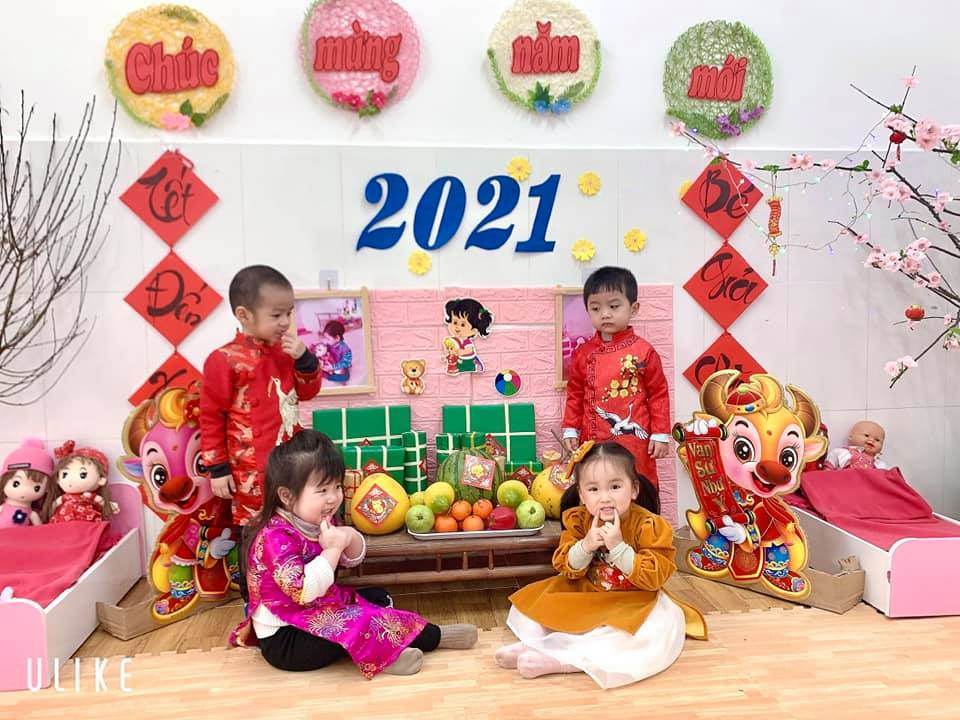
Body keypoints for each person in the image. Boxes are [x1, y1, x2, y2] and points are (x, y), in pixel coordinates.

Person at [231, 430, 478, 677]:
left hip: (318, 610)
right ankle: (402, 650)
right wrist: (333, 549)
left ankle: (416, 636)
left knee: (377, 599)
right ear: (287, 496)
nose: (333, 498)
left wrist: (348, 537)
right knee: (360, 619)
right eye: (322, 490)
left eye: (337, 486)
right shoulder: (274, 537)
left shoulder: (316, 518)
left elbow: (352, 559)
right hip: (287, 638)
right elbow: (304, 592)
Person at [495, 441, 706, 688]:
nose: (605, 498)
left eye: (615, 487)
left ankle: (562, 661)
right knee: (529, 605)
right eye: (593, 489)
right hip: (588, 591)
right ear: (582, 495)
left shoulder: (649, 525)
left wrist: (618, 547)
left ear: (634, 489)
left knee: (650, 633)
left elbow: (654, 576)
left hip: (633, 599)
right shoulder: (579, 521)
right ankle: (533, 644)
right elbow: (566, 566)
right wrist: (585, 546)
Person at [199, 265, 323, 597]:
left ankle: (298, 589)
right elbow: (210, 416)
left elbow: (308, 392)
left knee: (296, 521)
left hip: (292, 459)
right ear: (244, 315)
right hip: (249, 469)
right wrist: (218, 468)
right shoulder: (224, 360)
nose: (285, 322)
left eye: (289, 313)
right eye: (276, 315)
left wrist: (305, 360)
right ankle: (255, 597)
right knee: (254, 529)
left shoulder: (287, 352)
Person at [562, 266, 671, 486]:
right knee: (598, 485)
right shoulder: (583, 354)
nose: (605, 314)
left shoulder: (644, 352)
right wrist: (570, 429)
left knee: (638, 484)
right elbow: (575, 395)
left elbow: (658, 394)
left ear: (633, 308)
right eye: (595, 308)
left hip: (635, 442)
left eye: (613, 306)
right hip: (593, 440)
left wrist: (660, 433)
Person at [824, 420, 891, 470]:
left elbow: (886, 478)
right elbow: (828, 467)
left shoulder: (880, 464)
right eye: (866, 435)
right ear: (851, 437)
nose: (872, 440)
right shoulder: (840, 452)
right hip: (843, 482)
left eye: (877, 440)